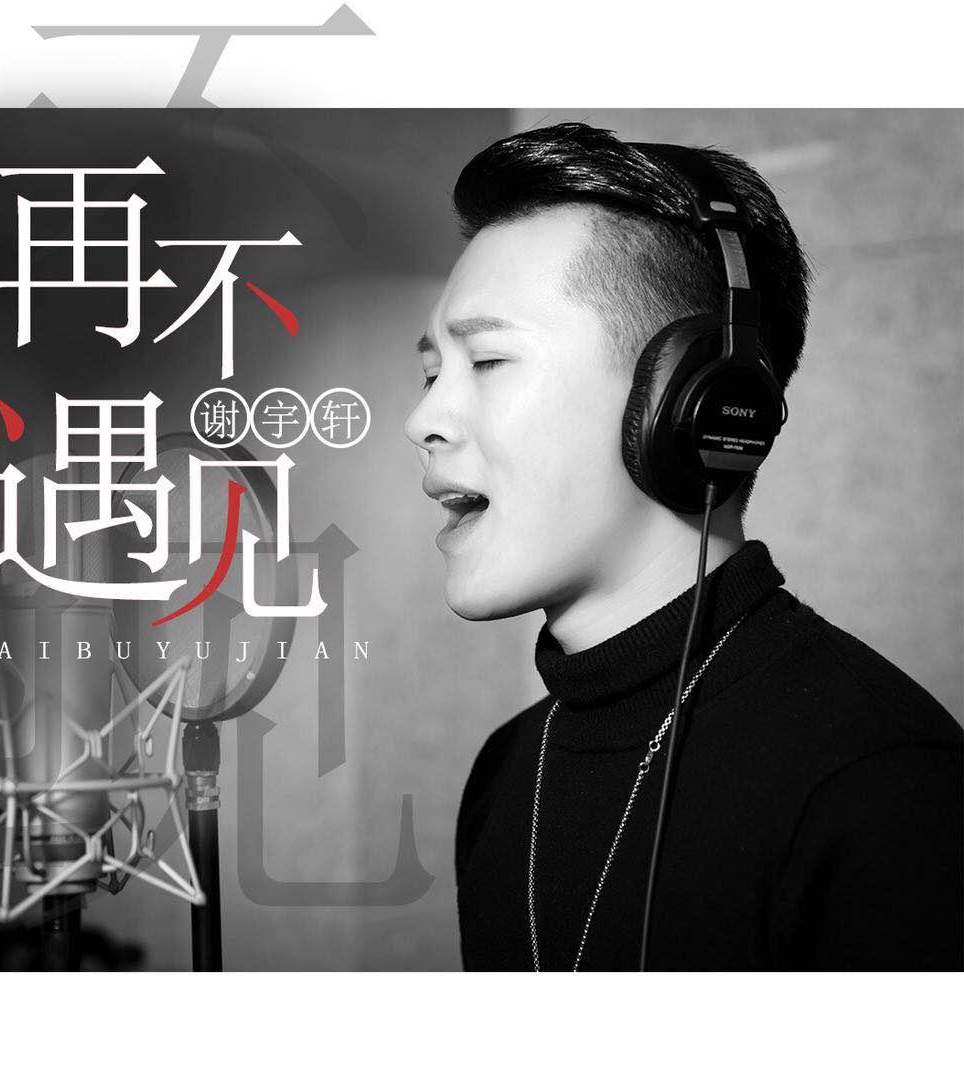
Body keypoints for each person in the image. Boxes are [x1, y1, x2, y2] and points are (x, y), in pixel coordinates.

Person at [402, 122, 963, 971]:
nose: (423, 420)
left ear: (692, 399)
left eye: (485, 361)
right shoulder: (507, 770)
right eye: (429, 372)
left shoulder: (883, 787)